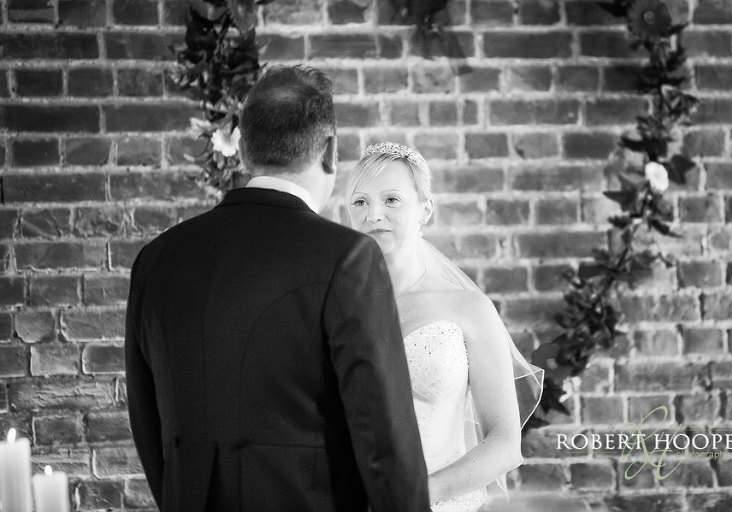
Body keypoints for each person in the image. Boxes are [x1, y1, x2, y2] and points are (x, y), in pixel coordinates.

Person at [125, 67, 430, 512]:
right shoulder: (347, 258)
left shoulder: (156, 260)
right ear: (330, 150)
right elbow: (386, 444)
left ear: (243, 149)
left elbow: (148, 428)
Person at [346, 142, 544, 512]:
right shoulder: (336, 307)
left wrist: (414, 497)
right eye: (360, 202)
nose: (373, 214)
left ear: (425, 210)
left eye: (391, 200)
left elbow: (505, 444)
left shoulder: (469, 309)